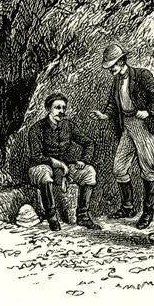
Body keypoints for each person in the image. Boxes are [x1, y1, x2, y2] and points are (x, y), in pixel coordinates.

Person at [93, 43, 154, 229]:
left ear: (122, 61)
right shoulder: (117, 80)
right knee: (119, 168)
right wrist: (106, 115)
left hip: (143, 126)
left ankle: (148, 212)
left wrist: (149, 111)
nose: (111, 70)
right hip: (127, 126)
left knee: (147, 169)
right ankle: (128, 207)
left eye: (113, 66)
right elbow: (112, 102)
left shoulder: (141, 75)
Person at [28, 93, 101, 231]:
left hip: (65, 168)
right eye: (57, 108)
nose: (61, 111)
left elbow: (88, 143)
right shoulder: (36, 129)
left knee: (89, 172)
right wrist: (57, 163)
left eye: (63, 108)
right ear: (48, 109)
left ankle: (83, 215)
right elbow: (36, 156)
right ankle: (52, 217)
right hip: (40, 166)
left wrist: (84, 160)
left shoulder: (68, 126)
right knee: (44, 173)